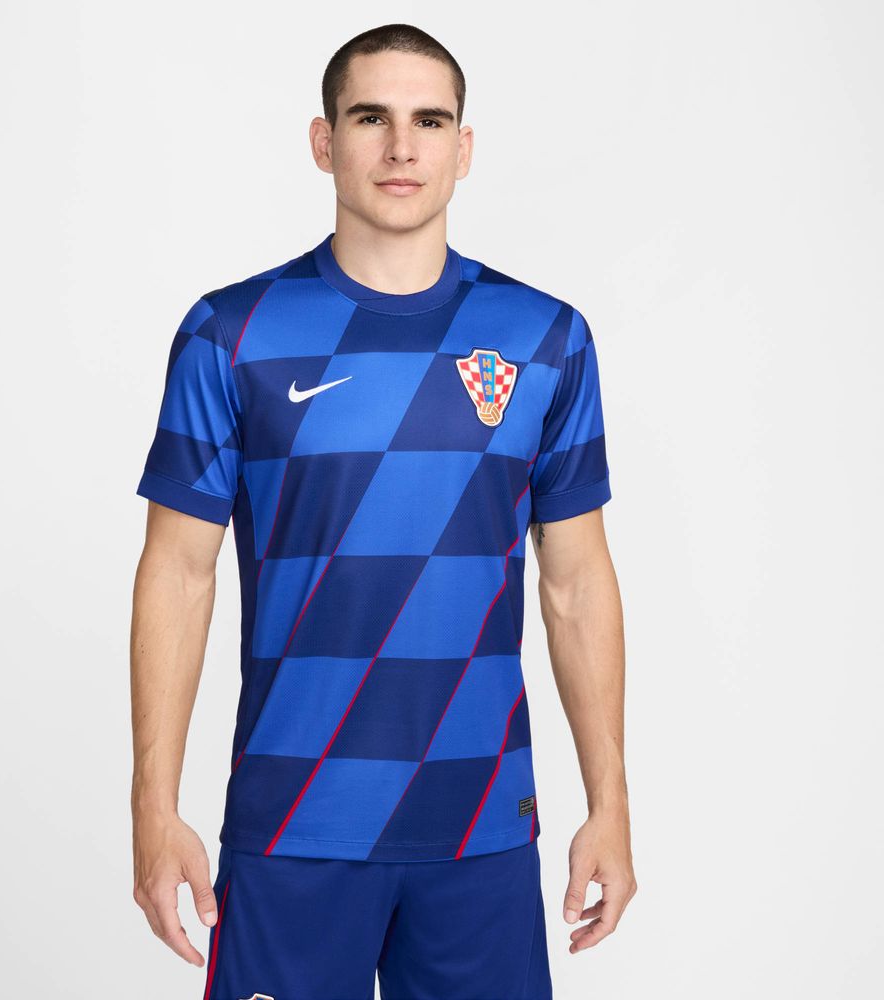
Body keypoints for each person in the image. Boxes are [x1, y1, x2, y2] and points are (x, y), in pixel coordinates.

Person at [130, 22, 636, 1000]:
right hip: (293, 821)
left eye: (429, 122)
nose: (402, 147)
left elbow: (576, 585)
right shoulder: (231, 334)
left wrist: (609, 803)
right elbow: (178, 574)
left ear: (463, 148)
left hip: (480, 826)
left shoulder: (545, 339)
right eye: (371, 118)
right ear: (324, 142)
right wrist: (153, 806)